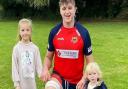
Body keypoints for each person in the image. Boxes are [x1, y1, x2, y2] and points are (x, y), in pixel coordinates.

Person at [41, 0, 94, 89]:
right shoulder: (54, 32)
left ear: (75, 9)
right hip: (58, 78)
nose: (67, 12)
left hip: (78, 81)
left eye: (70, 8)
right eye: (64, 8)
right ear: (60, 10)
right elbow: (48, 57)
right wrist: (45, 68)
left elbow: (90, 62)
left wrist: (84, 79)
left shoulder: (83, 33)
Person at [12, 18, 43, 89]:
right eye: (22, 30)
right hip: (21, 85)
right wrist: (17, 84)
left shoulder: (35, 48)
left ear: (31, 31)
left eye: (27, 30)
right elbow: (14, 67)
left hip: (32, 84)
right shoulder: (16, 48)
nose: (25, 32)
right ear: (19, 32)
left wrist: (42, 75)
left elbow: (39, 65)